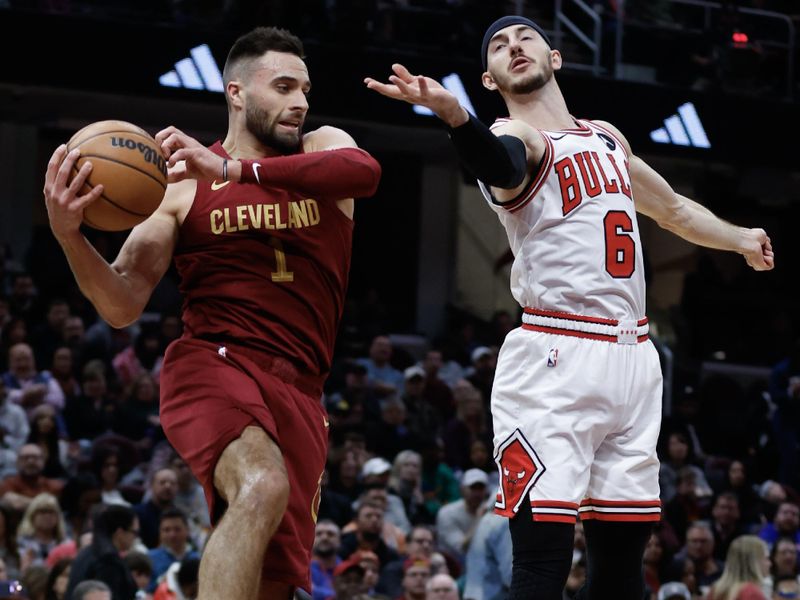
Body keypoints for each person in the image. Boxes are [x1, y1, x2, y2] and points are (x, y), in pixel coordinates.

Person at [365, 14, 774, 600]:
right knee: (543, 561)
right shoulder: (518, 137)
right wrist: (455, 116)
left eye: (525, 37)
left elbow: (674, 210)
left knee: (621, 565)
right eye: (499, 45)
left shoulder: (607, 137)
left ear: (555, 57)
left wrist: (738, 238)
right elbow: (499, 164)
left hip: (633, 358)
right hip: (555, 356)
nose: (514, 46)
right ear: (489, 78)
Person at [43, 25, 381, 600]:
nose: (299, 101)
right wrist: (70, 236)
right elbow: (123, 303)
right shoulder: (177, 189)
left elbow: (364, 175)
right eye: (282, 86)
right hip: (213, 365)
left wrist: (229, 171)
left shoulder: (323, 147)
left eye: (304, 88)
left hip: (302, 392)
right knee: (261, 484)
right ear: (236, 94)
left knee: (271, 582)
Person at [65, 504, 139, 600]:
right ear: (120, 532)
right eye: (134, 532)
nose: (136, 538)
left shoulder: (86, 552)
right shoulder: (109, 561)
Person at [706, 535, 770, 600]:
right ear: (754, 562)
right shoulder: (752, 593)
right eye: (766, 558)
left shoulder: (715, 590)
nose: (770, 563)